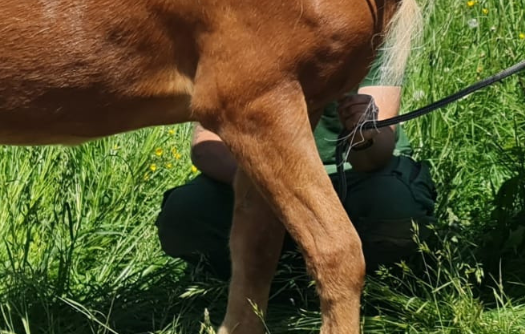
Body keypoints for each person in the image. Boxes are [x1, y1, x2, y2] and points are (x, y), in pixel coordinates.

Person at [156, 83, 435, 280]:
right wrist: (280, 190)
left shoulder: (367, 27)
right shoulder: (239, 31)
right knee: (184, 215)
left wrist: (362, 133)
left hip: (353, 176)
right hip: (259, 179)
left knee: (395, 208)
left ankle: (374, 280)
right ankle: (272, 276)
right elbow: (207, 147)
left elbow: (374, 157)